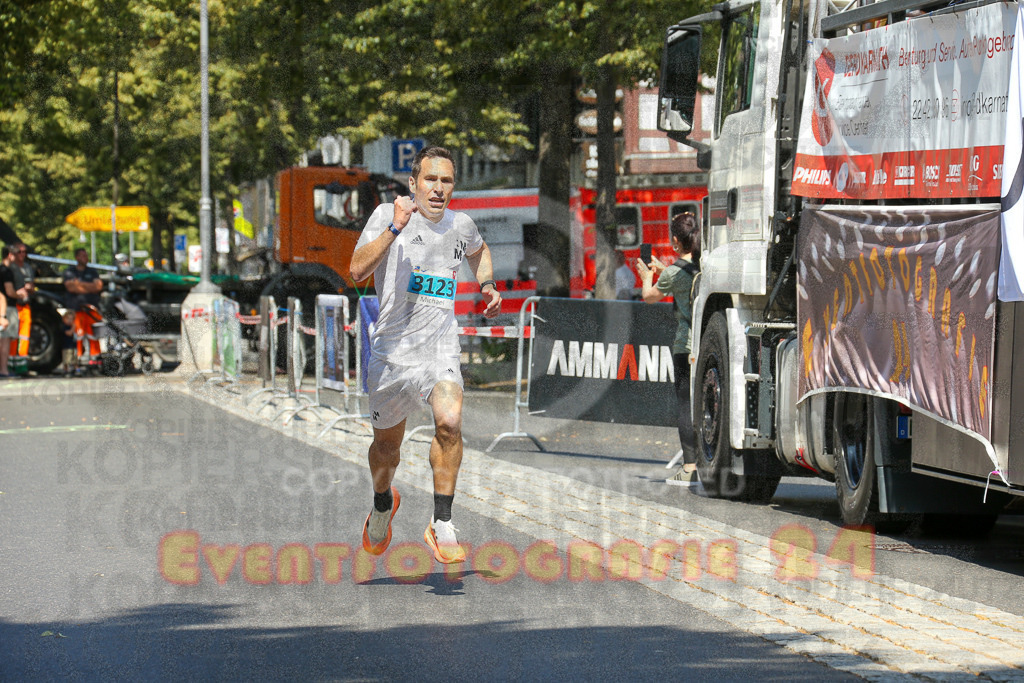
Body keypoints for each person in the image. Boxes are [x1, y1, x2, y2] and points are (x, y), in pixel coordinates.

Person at [349, 145, 502, 564]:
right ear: (413, 183)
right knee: (386, 450)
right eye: (430, 180)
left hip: (439, 347)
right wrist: (394, 229)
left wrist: (486, 285)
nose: (438, 189)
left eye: (446, 181)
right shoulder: (386, 215)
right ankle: (382, 504)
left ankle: (443, 521)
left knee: (450, 422)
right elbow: (357, 271)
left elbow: (479, 251)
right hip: (392, 353)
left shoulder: (461, 224)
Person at [636, 212, 701, 481]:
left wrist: (646, 276)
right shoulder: (705, 265)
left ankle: (689, 467)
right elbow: (683, 275)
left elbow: (649, 297)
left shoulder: (675, 273)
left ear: (675, 241)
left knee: (685, 405)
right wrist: (665, 269)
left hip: (685, 345)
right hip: (706, 341)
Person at [62, 248, 104, 360]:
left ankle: (95, 359)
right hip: (76, 309)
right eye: (82, 256)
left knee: (93, 335)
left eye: (86, 255)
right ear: (77, 257)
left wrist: (79, 285)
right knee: (78, 335)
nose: (85, 258)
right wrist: (90, 287)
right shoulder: (70, 272)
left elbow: (98, 287)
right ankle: (78, 360)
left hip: (91, 310)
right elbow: (71, 287)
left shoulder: (92, 271)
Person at [8, 243, 34, 358]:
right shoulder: (10, 268)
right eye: (20, 252)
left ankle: (22, 361)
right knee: (13, 334)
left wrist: (30, 288)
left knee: (25, 335)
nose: (22, 254)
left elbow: (32, 285)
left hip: (25, 304)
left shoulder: (28, 268)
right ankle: (11, 360)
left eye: (24, 252)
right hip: (14, 304)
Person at [0, 247, 19, 377]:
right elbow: (8, 292)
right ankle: (4, 370)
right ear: (10, 255)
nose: (18, 257)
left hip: (3, 307)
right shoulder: (6, 271)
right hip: (7, 308)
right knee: (5, 340)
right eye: (16, 254)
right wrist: (21, 295)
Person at [61, 310, 78, 376]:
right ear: (64, 319)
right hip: (66, 346)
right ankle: (66, 370)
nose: (69, 320)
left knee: (75, 359)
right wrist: (73, 327)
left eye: (71, 319)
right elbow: (69, 333)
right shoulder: (64, 327)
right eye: (67, 318)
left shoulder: (72, 327)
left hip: (73, 346)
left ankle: (76, 369)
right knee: (67, 359)